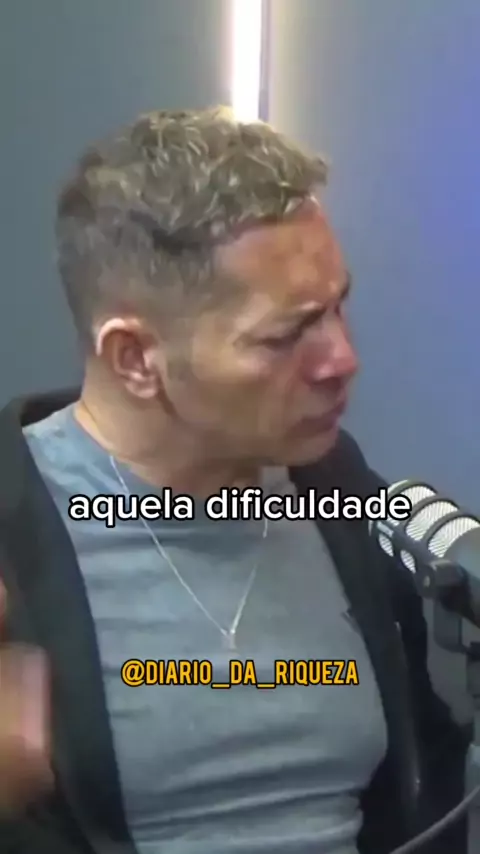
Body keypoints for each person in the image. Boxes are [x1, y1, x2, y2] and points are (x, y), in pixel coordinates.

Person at [0, 106, 470, 854]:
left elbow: (429, 775)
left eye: (338, 306)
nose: (342, 359)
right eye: (286, 335)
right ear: (135, 359)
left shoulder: (336, 489)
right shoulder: (16, 532)